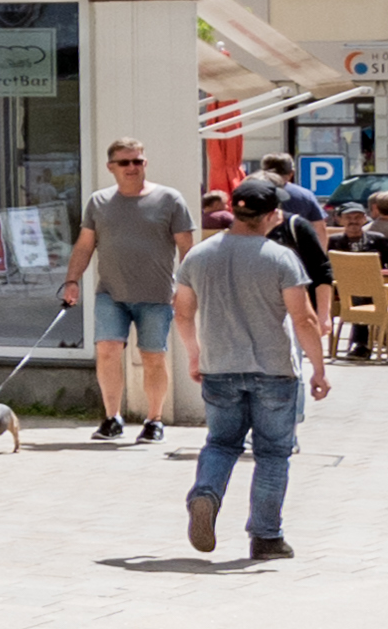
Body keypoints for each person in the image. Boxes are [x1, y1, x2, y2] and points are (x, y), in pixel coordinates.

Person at [180, 179, 331, 562]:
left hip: (219, 366)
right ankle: (266, 537)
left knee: (221, 443)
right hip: (273, 370)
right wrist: (319, 369)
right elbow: (304, 318)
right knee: (272, 454)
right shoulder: (280, 257)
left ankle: (205, 494)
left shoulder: (198, 254)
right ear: (268, 215)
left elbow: (182, 312)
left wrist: (194, 355)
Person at [60, 141, 195, 446]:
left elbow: (187, 248)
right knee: (107, 351)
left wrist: (186, 288)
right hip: (110, 293)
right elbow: (85, 245)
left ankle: (154, 420)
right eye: (125, 163)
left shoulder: (169, 199)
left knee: (153, 357)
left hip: (157, 295)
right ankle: (112, 418)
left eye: (138, 161)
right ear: (111, 167)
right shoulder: (99, 202)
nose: (132, 167)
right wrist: (72, 281)